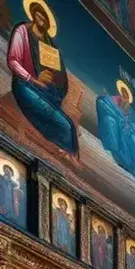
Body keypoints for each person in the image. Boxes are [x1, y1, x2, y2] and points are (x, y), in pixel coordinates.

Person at [6, 0, 79, 156]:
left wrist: (52, 79)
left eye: (44, 20)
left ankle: (67, 150)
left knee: (67, 123)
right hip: (24, 85)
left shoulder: (50, 45)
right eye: (39, 17)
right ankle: (66, 149)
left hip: (48, 91)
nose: (42, 21)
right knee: (66, 125)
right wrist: (34, 78)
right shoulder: (22, 31)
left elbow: (61, 77)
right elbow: (13, 61)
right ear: (33, 15)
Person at [96, 81, 135, 195]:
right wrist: (119, 121)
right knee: (111, 123)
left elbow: (134, 126)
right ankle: (124, 162)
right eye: (124, 96)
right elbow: (103, 106)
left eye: (127, 98)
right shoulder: (110, 100)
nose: (125, 100)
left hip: (128, 135)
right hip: (118, 133)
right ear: (120, 93)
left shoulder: (130, 110)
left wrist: (130, 128)